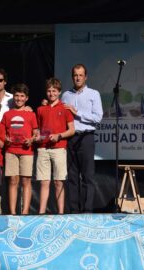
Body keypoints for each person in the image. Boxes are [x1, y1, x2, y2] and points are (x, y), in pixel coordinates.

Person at [61, 64, 103, 213]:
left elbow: (98, 118)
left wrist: (77, 112)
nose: (78, 78)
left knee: (87, 177)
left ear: (86, 77)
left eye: (80, 75)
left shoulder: (93, 94)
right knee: (72, 176)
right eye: (75, 75)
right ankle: (73, 210)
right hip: (70, 138)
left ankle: (87, 211)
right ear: (72, 77)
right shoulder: (65, 95)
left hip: (86, 137)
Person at [36, 78, 75, 214]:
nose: (51, 93)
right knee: (44, 182)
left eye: (54, 91)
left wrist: (59, 135)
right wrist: (36, 136)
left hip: (59, 149)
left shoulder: (65, 109)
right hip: (43, 149)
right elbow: (38, 129)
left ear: (59, 92)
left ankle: (60, 213)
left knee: (59, 182)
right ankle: (41, 212)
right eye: (49, 91)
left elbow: (71, 130)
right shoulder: (41, 109)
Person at [1, 83, 38, 215]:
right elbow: (2, 132)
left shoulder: (31, 114)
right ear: (13, 97)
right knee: (12, 181)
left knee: (26, 181)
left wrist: (32, 139)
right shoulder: (7, 114)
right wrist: (5, 139)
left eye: (22, 96)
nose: (19, 99)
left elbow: (36, 132)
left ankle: (25, 212)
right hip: (11, 151)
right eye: (16, 96)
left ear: (26, 98)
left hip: (26, 152)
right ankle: (12, 213)